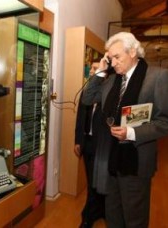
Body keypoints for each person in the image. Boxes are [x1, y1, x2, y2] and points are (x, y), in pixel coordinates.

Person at [82, 32, 168, 227]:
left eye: (117, 57)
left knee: (135, 218)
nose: (113, 62)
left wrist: (131, 133)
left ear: (133, 51)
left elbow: (166, 122)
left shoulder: (158, 77)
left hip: (136, 162)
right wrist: (100, 71)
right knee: (113, 214)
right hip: (110, 159)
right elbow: (87, 98)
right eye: (110, 58)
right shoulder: (110, 80)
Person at [74, 62, 105, 227]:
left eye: (95, 68)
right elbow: (80, 118)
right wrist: (78, 140)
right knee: (91, 179)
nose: (91, 71)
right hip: (87, 143)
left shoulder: (108, 92)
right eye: (92, 68)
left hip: (102, 145)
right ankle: (95, 211)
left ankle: (88, 216)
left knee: (97, 181)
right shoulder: (86, 91)